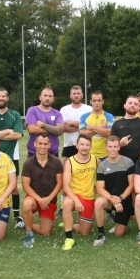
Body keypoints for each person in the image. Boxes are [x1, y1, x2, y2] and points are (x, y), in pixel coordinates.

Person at [0, 88, 24, 227]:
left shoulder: (15, 115)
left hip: (12, 156)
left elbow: (18, 135)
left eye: (3, 96)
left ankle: (17, 216)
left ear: (7, 98)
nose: (1, 98)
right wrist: (7, 131)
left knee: (13, 188)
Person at [21, 133, 64, 248]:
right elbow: (25, 186)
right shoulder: (28, 163)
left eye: (45, 144)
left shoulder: (56, 162)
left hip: (49, 200)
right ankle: (29, 234)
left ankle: (26, 223)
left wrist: (48, 199)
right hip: (34, 199)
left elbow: (60, 183)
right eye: (40, 143)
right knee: (27, 204)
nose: (42, 146)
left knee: (46, 233)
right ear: (35, 144)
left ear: (49, 145)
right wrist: (40, 200)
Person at [61, 135, 101, 250]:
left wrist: (99, 186)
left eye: (87, 145)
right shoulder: (70, 162)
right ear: (77, 146)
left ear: (91, 146)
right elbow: (66, 186)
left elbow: (105, 175)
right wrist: (76, 200)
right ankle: (69, 238)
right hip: (75, 196)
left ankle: (70, 224)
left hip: (89, 198)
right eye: (82, 144)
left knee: (84, 232)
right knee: (67, 204)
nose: (84, 147)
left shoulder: (95, 160)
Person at [59, 85, 92, 216]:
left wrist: (71, 123)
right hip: (69, 146)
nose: (76, 95)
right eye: (74, 93)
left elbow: (90, 127)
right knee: (64, 177)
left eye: (78, 93)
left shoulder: (88, 109)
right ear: (70, 95)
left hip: (86, 146)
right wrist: (81, 125)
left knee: (88, 177)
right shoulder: (64, 109)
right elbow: (62, 128)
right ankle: (63, 207)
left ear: (82, 95)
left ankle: (88, 203)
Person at [95, 136, 135, 241]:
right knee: (98, 202)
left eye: (115, 147)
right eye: (110, 147)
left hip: (124, 199)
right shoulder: (102, 166)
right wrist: (114, 200)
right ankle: (101, 234)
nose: (112, 149)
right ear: (106, 148)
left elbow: (132, 184)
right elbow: (100, 188)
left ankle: (122, 221)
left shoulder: (128, 162)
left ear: (119, 148)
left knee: (119, 233)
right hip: (110, 199)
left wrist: (121, 198)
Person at [111, 95, 140, 164]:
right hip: (121, 163)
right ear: (124, 105)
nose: (132, 105)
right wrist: (120, 144)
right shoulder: (117, 124)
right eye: (130, 103)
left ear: (139, 107)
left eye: (135, 104)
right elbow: (110, 145)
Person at [25, 86, 64, 158]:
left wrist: (43, 125)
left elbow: (60, 131)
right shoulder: (32, 110)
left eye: (50, 96)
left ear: (53, 99)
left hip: (53, 155)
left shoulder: (57, 113)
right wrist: (53, 130)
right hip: (34, 154)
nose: (47, 98)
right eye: (45, 95)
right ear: (40, 97)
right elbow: (31, 129)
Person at [79, 90, 113, 160]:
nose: (96, 103)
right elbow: (82, 134)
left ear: (103, 101)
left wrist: (92, 127)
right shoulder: (84, 116)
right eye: (94, 100)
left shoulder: (109, 116)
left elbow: (109, 133)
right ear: (90, 101)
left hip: (105, 155)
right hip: (89, 154)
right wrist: (100, 128)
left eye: (99, 100)